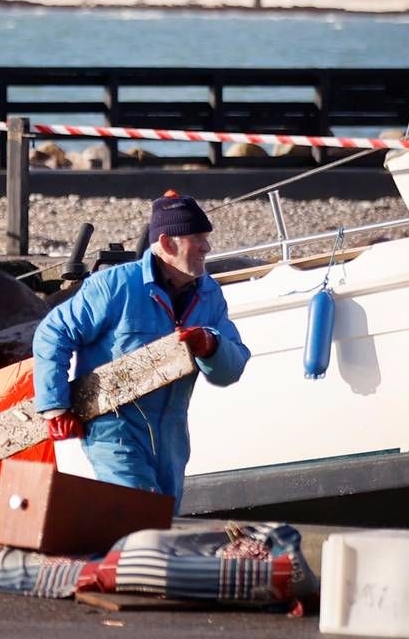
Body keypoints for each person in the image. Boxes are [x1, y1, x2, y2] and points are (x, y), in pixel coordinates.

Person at [32, 191, 249, 506]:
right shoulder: (115, 285)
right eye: (198, 237)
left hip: (172, 439)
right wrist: (55, 406)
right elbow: (53, 332)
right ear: (169, 242)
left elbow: (233, 368)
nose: (207, 246)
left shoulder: (210, 294)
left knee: (160, 527)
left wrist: (211, 345)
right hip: (114, 430)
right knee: (141, 513)